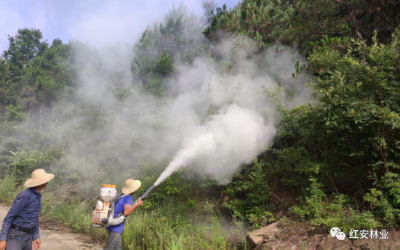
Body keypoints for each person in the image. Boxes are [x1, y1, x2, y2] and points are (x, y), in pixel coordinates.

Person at [0, 169, 55, 250]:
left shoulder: (38, 196)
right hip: (16, 235)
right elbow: (9, 217)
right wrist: (3, 239)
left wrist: (36, 236)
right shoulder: (25, 196)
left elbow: (34, 217)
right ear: (43, 182)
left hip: (28, 236)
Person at [104, 179, 143, 250]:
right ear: (133, 190)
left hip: (114, 227)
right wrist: (137, 204)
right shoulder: (128, 197)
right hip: (116, 228)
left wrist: (135, 203)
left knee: (118, 248)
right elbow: (126, 212)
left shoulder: (121, 196)